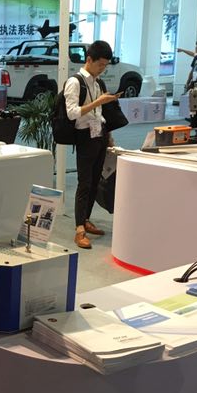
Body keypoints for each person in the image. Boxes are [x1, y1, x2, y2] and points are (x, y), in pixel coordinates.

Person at [63, 40, 120, 250]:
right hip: (85, 137)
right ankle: (79, 229)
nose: (103, 69)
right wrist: (98, 102)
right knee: (84, 183)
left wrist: (109, 136)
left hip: (100, 135)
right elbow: (72, 113)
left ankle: (86, 219)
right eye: (100, 64)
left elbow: (101, 114)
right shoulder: (75, 82)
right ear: (89, 59)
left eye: (105, 65)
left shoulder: (98, 83)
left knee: (96, 181)